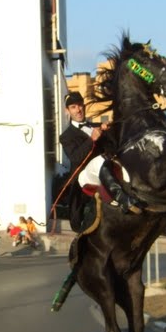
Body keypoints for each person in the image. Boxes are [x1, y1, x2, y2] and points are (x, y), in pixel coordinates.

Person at [58, 90, 114, 231]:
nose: (78, 110)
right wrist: (91, 140)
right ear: (67, 111)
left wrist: (109, 132)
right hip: (84, 179)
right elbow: (75, 158)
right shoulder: (66, 136)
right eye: (73, 107)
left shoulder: (95, 126)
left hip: (106, 172)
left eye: (80, 105)